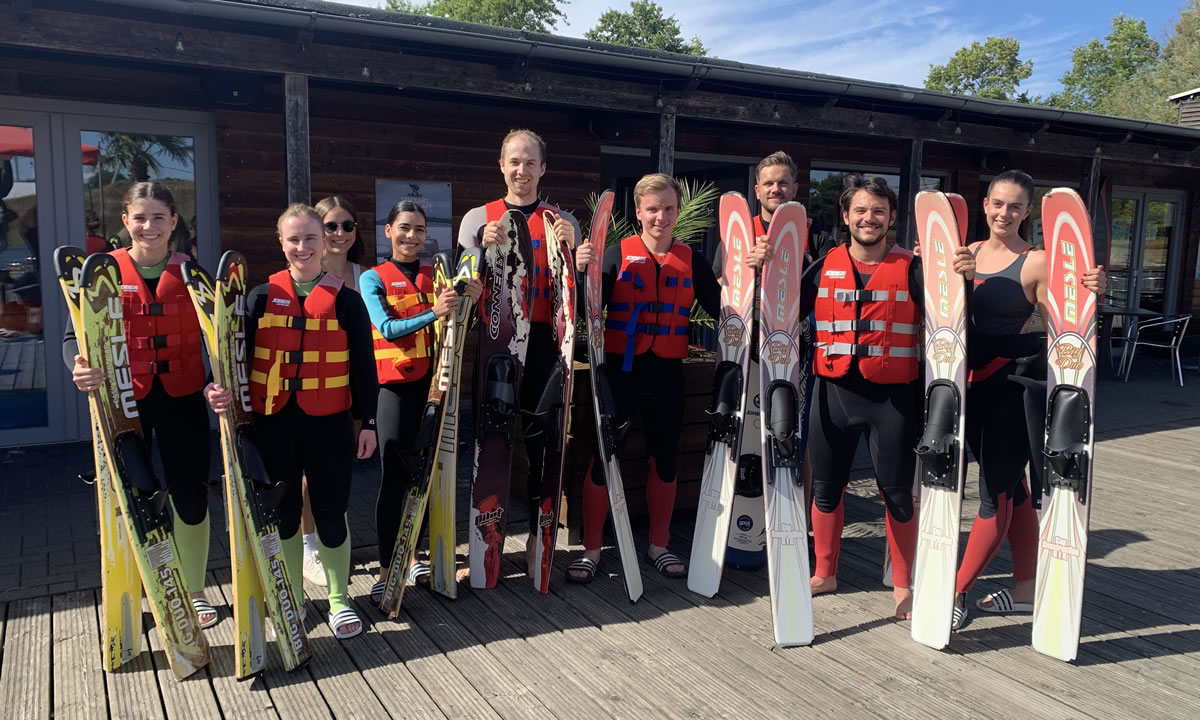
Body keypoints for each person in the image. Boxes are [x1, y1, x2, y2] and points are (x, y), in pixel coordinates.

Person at [800, 174, 975, 620]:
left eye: (878, 211)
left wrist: (962, 279)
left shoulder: (915, 269)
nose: (869, 218)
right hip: (832, 392)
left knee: (897, 494)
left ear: (893, 218)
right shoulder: (821, 267)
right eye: (860, 210)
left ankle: (904, 584)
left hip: (893, 399)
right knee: (825, 489)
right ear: (845, 216)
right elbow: (775, 310)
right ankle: (825, 572)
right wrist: (759, 268)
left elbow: (953, 319)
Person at [206, 203, 378, 640]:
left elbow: (364, 369)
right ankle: (295, 600)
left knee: (331, 512)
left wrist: (369, 423)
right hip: (275, 423)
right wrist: (215, 387)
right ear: (280, 243)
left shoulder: (349, 301)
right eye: (294, 239)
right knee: (283, 516)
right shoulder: (258, 298)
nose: (303, 247)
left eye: (311, 237)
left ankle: (339, 600)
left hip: (331, 424)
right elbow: (231, 355)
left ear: (326, 241)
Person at [952, 170, 1105, 630]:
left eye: (1015, 206)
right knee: (1014, 490)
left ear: (1027, 212)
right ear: (985, 205)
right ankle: (1024, 588)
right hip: (967, 386)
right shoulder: (968, 253)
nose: (1004, 213)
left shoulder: (1036, 261)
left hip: (1013, 391)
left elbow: (1068, 321)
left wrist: (1093, 289)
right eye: (997, 204)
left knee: (993, 496)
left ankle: (953, 593)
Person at [65, 182, 218, 628]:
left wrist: (215, 383)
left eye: (158, 217)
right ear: (125, 222)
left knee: (189, 493)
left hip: (184, 398)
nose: (148, 226)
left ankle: (193, 590)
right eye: (140, 217)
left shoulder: (194, 274)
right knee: (133, 499)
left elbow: (219, 336)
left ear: (174, 221)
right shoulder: (102, 273)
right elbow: (73, 334)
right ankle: (138, 587)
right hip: (125, 401)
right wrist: (76, 365)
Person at [569, 173, 722, 582]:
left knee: (665, 459)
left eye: (669, 209)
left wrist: (749, 277)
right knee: (605, 458)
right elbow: (584, 311)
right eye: (653, 209)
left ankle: (659, 545)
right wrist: (580, 271)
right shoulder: (615, 256)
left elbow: (723, 306)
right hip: (619, 373)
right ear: (638, 212)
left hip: (668, 374)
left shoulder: (693, 260)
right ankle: (591, 549)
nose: (662, 217)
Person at [457, 128, 580, 575]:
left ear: (543, 168)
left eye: (530, 162)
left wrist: (572, 251)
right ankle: (485, 539)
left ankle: (535, 540)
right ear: (501, 165)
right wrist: (477, 251)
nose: (521, 170)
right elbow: (461, 288)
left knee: (542, 444)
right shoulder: (477, 219)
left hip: (546, 346)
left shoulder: (562, 221)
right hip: (497, 346)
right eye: (514, 161)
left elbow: (575, 297)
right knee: (491, 441)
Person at [362, 200, 481, 601]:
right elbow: (387, 327)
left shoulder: (438, 275)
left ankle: (415, 558)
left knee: (426, 476)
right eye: (404, 228)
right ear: (388, 231)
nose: (412, 236)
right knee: (394, 481)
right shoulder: (372, 278)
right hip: (394, 391)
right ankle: (384, 567)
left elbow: (457, 324)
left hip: (435, 388)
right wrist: (434, 311)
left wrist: (471, 300)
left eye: (419, 230)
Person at [295, 195, 369, 588]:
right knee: (308, 473)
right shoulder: (301, 272)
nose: (339, 233)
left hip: (355, 384)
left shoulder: (365, 275)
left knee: (337, 473)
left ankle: (335, 542)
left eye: (347, 226)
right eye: (330, 226)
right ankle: (310, 548)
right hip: (311, 390)